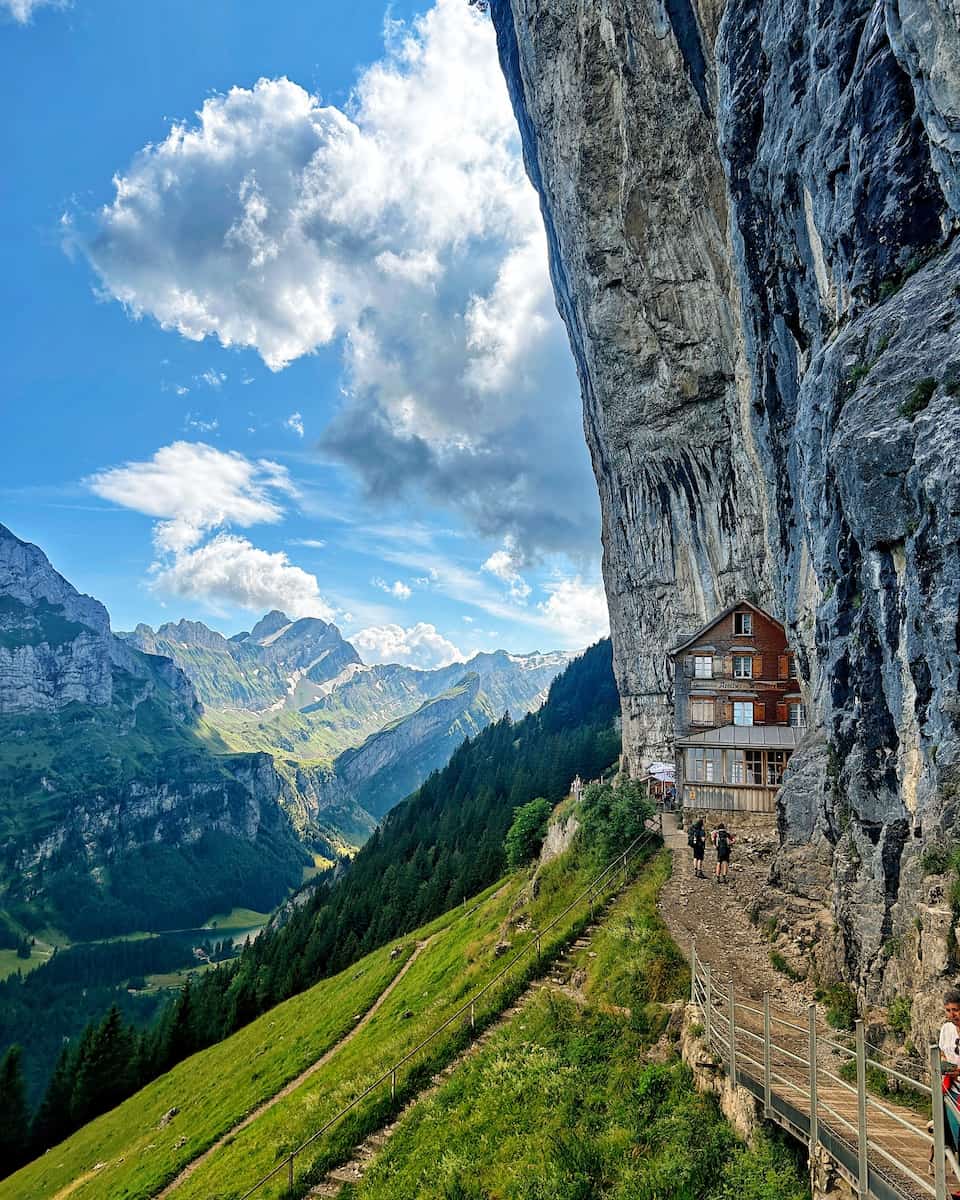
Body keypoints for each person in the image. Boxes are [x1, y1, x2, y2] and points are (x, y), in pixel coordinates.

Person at [938, 988, 960, 1196]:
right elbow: (943, 1054)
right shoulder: (947, 1029)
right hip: (950, 1087)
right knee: (952, 1133)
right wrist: (946, 1067)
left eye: (956, 1010)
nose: (952, 1015)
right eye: (948, 1010)